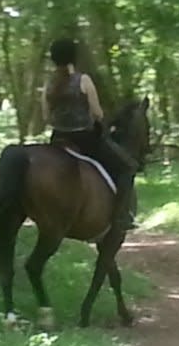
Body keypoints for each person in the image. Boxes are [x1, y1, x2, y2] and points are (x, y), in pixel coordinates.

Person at [42, 38, 137, 231]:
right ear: (74, 58)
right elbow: (97, 113)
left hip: (58, 139)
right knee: (127, 167)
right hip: (85, 139)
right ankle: (121, 216)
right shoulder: (83, 80)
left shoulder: (48, 84)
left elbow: (46, 117)